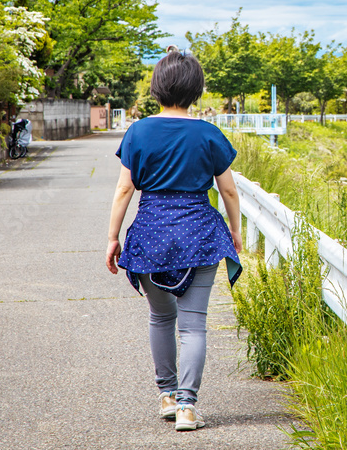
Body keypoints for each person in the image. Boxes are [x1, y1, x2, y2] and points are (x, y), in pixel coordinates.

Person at [106, 48, 243, 432]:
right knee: (194, 324)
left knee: (160, 316)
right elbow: (229, 191)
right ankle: (187, 406)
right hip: (200, 232)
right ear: (196, 89)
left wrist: (113, 238)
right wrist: (234, 230)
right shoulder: (208, 133)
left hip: (150, 234)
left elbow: (123, 191)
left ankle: (166, 395)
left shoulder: (139, 131)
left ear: (157, 87)